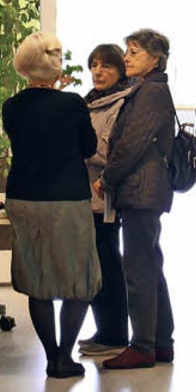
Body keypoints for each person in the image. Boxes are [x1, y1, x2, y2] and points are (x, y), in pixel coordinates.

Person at [1, 32, 101, 379]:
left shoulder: (11, 106)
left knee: (37, 277)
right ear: (56, 68)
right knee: (79, 280)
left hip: (24, 197)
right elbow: (88, 147)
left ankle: (49, 357)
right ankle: (65, 356)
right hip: (67, 199)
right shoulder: (72, 104)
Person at [96, 29, 177, 370]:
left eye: (134, 52)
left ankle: (143, 345)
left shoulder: (151, 92)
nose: (126, 58)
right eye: (128, 51)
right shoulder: (144, 88)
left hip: (142, 191)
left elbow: (132, 143)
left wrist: (107, 178)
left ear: (155, 60)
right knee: (150, 265)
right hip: (145, 191)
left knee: (139, 268)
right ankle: (160, 341)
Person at [78, 44, 134, 357]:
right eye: (95, 65)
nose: (98, 72)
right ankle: (104, 330)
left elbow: (109, 151)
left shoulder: (122, 103)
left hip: (105, 196)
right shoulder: (92, 101)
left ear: (120, 70)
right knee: (97, 264)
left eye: (107, 66)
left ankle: (114, 335)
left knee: (108, 264)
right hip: (86, 195)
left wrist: (77, 146)